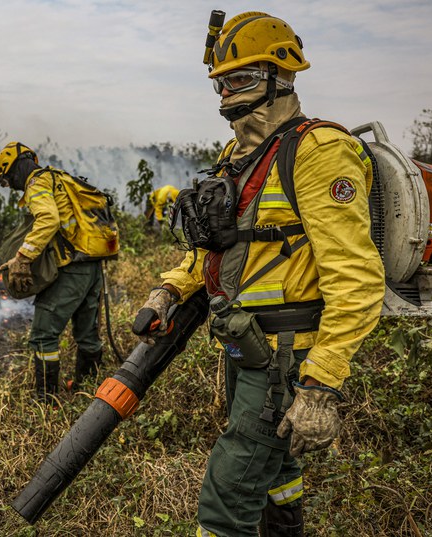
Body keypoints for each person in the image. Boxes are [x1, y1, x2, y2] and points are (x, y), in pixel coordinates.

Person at [135, 12, 385, 537]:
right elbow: (215, 244)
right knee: (276, 467)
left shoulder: (320, 152)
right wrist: (169, 288)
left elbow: (357, 281)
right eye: (221, 81)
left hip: (289, 354)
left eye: (241, 78)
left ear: (282, 77)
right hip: (245, 342)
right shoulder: (240, 154)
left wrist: (319, 387)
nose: (227, 92)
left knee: (228, 497)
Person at [0, 142, 111, 402]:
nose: (12, 187)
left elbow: (48, 219)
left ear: (12, 171)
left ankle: (45, 400)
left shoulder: (37, 183)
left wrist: (23, 257)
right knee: (87, 333)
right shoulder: (60, 178)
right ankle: (86, 389)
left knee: (44, 335)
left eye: (7, 181)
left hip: (71, 270)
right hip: (92, 266)